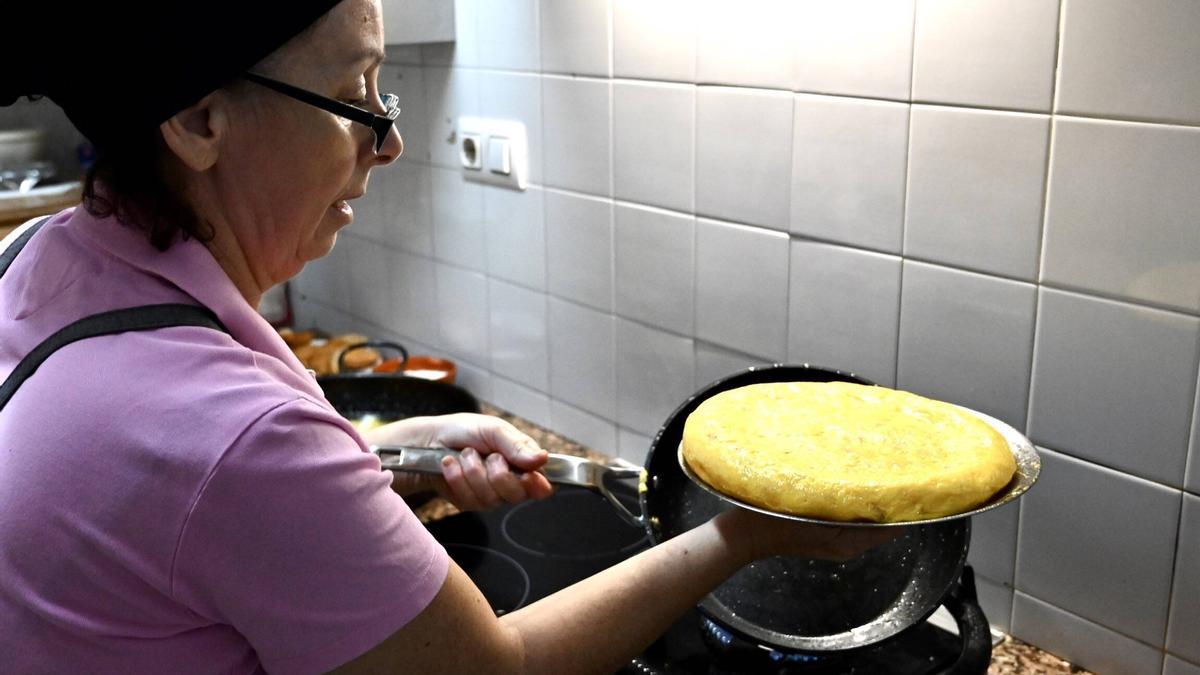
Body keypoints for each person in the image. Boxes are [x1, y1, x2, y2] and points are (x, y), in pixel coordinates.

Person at [0, 2, 894, 672]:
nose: (387, 142)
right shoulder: (232, 438)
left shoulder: (38, 255)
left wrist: (381, 454)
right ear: (198, 121)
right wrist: (739, 537)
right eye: (354, 94)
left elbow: (169, 517)